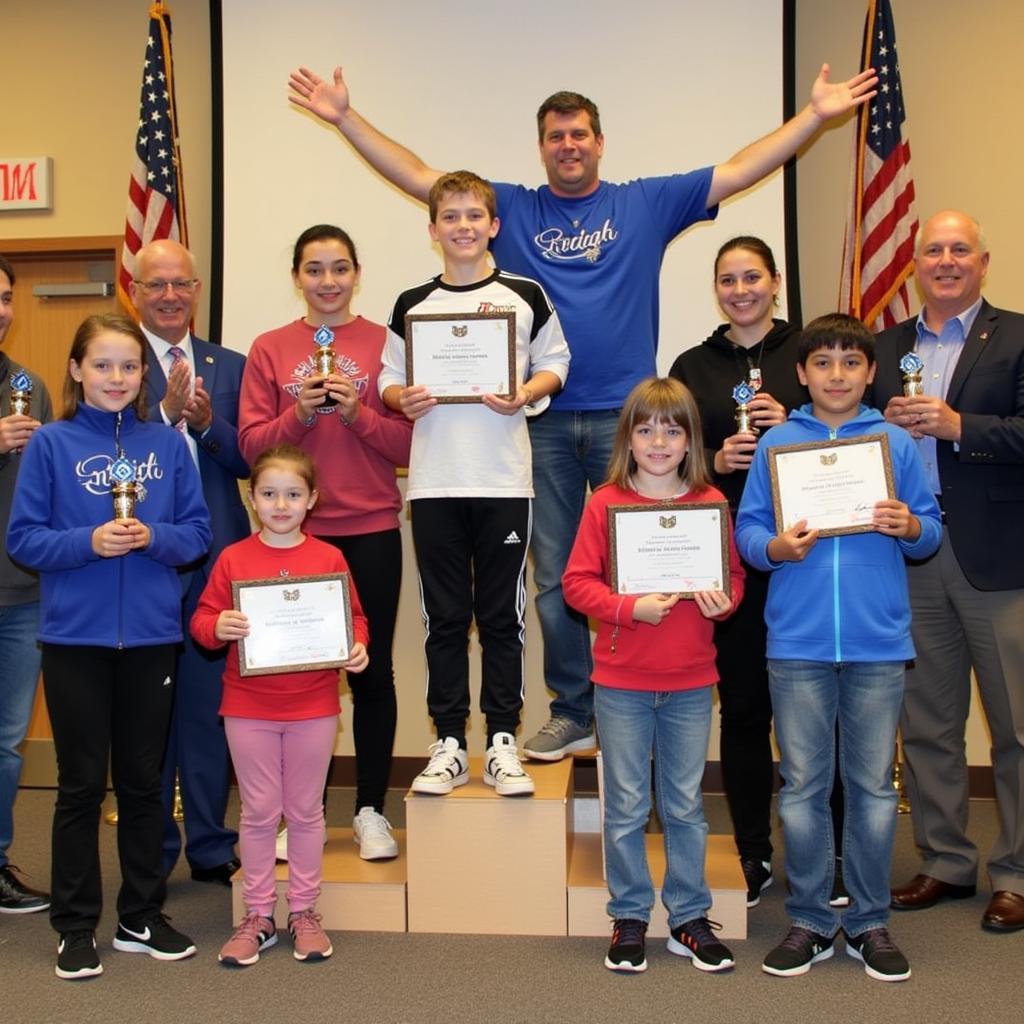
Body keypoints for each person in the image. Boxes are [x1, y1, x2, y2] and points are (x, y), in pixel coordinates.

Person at [287, 60, 877, 762]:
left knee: (648, 561)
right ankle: (575, 710)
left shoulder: (643, 204)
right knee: (558, 577)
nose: (568, 145)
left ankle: (642, 702)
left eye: (579, 134)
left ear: (599, 142)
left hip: (629, 424)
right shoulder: (515, 209)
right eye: (555, 136)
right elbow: (422, 177)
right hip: (536, 424)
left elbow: (739, 169)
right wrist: (345, 116)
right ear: (542, 148)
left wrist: (814, 117)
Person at [735, 314, 941, 981]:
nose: (837, 375)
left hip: (878, 642)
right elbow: (748, 535)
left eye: (851, 364)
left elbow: (929, 532)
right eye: (822, 363)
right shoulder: (776, 446)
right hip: (796, 643)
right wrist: (775, 548)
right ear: (801, 374)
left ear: (871, 372)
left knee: (874, 788)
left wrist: (909, 524)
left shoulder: (894, 442)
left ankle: (869, 920)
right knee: (801, 787)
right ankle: (811, 919)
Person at [7, 313, 210, 980]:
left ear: (143, 374)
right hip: (75, 639)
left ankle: (141, 916)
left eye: (128, 366)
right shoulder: (51, 445)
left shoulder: (169, 444)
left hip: (152, 637)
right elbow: (25, 540)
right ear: (76, 371)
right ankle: (74, 925)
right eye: (102, 365)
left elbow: (197, 534)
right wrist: (87, 544)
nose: (117, 378)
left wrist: (154, 538)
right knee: (79, 787)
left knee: (146, 784)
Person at [379, 170, 569, 795]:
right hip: (434, 484)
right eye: (450, 216)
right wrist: (398, 397)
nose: (463, 226)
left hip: (504, 483)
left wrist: (526, 393)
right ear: (432, 230)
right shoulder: (412, 304)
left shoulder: (524, 294)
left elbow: (555, 363)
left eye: (474, 216)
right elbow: (387, 377)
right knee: (443, 619)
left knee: (501, 617)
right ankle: (450, 742)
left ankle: (504, 740)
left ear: (494, 225)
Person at [239, 225, 411, 860]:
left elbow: (409, 444)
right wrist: (302, 415)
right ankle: (296, 814)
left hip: (369, 527)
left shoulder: (383, 344)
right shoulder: (269, 347)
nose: (328, 281)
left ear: (357, 274)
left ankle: (369, 810)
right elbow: (250, 448)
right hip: (290, 539)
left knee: (370, 670)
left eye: (340, 268)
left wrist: (355, 412)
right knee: (290, 676)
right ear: (297, 278)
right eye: (315, 270)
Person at [872, 211, 1024, 933]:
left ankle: (1017, 873)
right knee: (929, 723)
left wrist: (962, 428)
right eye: (932, 249)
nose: (946, 260)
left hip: (999, 560)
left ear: (983, 262)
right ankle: (946, 862)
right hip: (910, 553)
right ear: (914, 266)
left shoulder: (1019, 336)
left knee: (1016, 726)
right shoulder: (883, 347)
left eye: (960, 249)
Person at [561, 377, 745, 974]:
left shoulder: (711, 503)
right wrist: (626, 607)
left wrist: (726, 600)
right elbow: (575, 584)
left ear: (691, 440)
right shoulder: (604, 502)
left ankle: (688, 916)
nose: (658, 441)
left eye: (672, 429)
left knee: (686, 803)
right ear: (628, 438)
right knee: (627, 805)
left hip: (693, 680)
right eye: (645, 429)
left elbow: (734, 579)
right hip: (622, 682)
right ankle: (631, 915)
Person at [191, 444, 369, 966]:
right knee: (259, 812)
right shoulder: (233, 559)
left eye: (293, 494)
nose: (281, 504)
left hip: (314, 706)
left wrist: (358, 647)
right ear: (252, 499)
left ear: (312, 499)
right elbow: (202, 620)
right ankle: (258, 913)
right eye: (269, 494)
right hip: (247, 708)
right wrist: (217, 626)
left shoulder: (328, 558)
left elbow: (355, 619)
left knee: (307, 812)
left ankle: (305, 910)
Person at [669, 236, 806, 907]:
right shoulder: (692, 365)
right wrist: (716, 465)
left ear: (775, 282)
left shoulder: (812, 355)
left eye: (753, 276)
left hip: (807, 556)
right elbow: (667, 463)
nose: (741, 289)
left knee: (813, 709)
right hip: (732, 557)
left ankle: (822, 851)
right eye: (728, 279)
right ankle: (753, 850)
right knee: (746, 707)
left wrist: (796, 424)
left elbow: (849, 436)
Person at [129, 239, 250, 887]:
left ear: (198, 290)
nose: (171, 296)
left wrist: (206, 425)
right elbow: (105, 445)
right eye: (157, 285)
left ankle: (209, 843)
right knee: (149, 710)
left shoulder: (228, 366)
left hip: (214, 561)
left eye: (182, 284)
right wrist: (164, 416)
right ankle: (153, 848)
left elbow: (251, 459)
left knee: (207, 709)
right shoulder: (115, 365)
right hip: (141, 561)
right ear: (135, 291)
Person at [0, 253, 52, 914]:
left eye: (7, 297)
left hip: (20, 593)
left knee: (7, 743)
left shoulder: (28, 386)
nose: (2, 310)